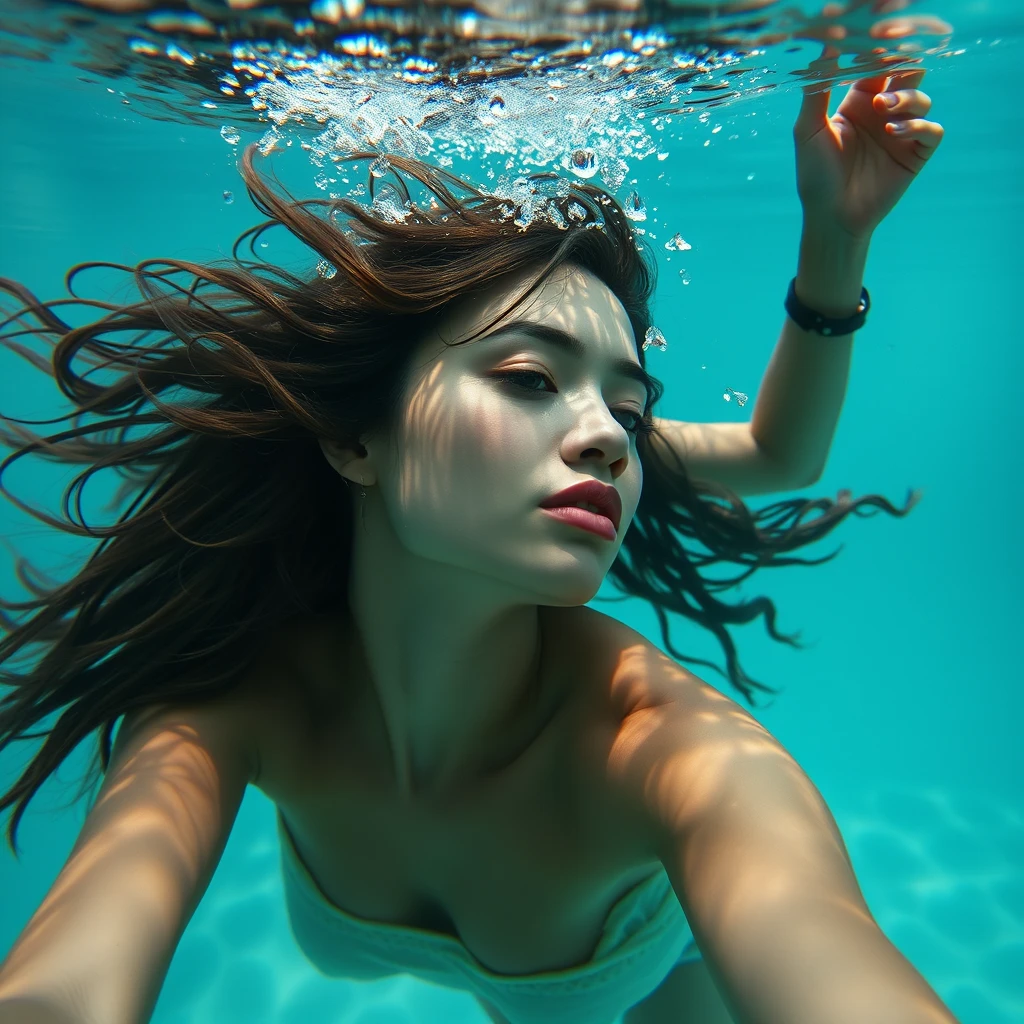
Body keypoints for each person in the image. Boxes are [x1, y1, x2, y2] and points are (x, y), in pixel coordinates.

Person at [0, 59, 954, 1024]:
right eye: (532, 379)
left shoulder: (669, 751)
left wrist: (838, 243)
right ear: (353, 436)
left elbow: (829, 958)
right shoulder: (244, 699)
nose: (609, 441)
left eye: (630, 411)